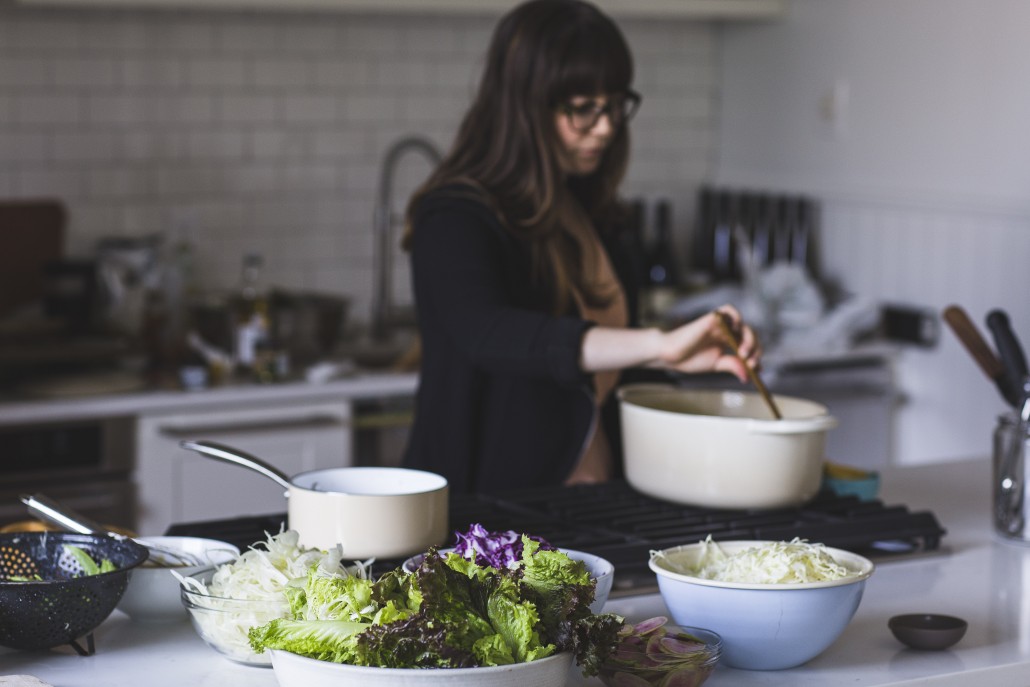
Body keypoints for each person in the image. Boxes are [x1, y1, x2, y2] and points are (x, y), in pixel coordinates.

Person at [400, 0, 761, 493]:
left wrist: (674, 358)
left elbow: (603, 370)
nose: (607, 127)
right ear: (523, 107)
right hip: (484, 517)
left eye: (614, 105)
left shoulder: (595, 215)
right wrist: (657, 345)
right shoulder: (454, 215)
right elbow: (491, 334)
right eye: (582, 108)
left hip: (591, 501)